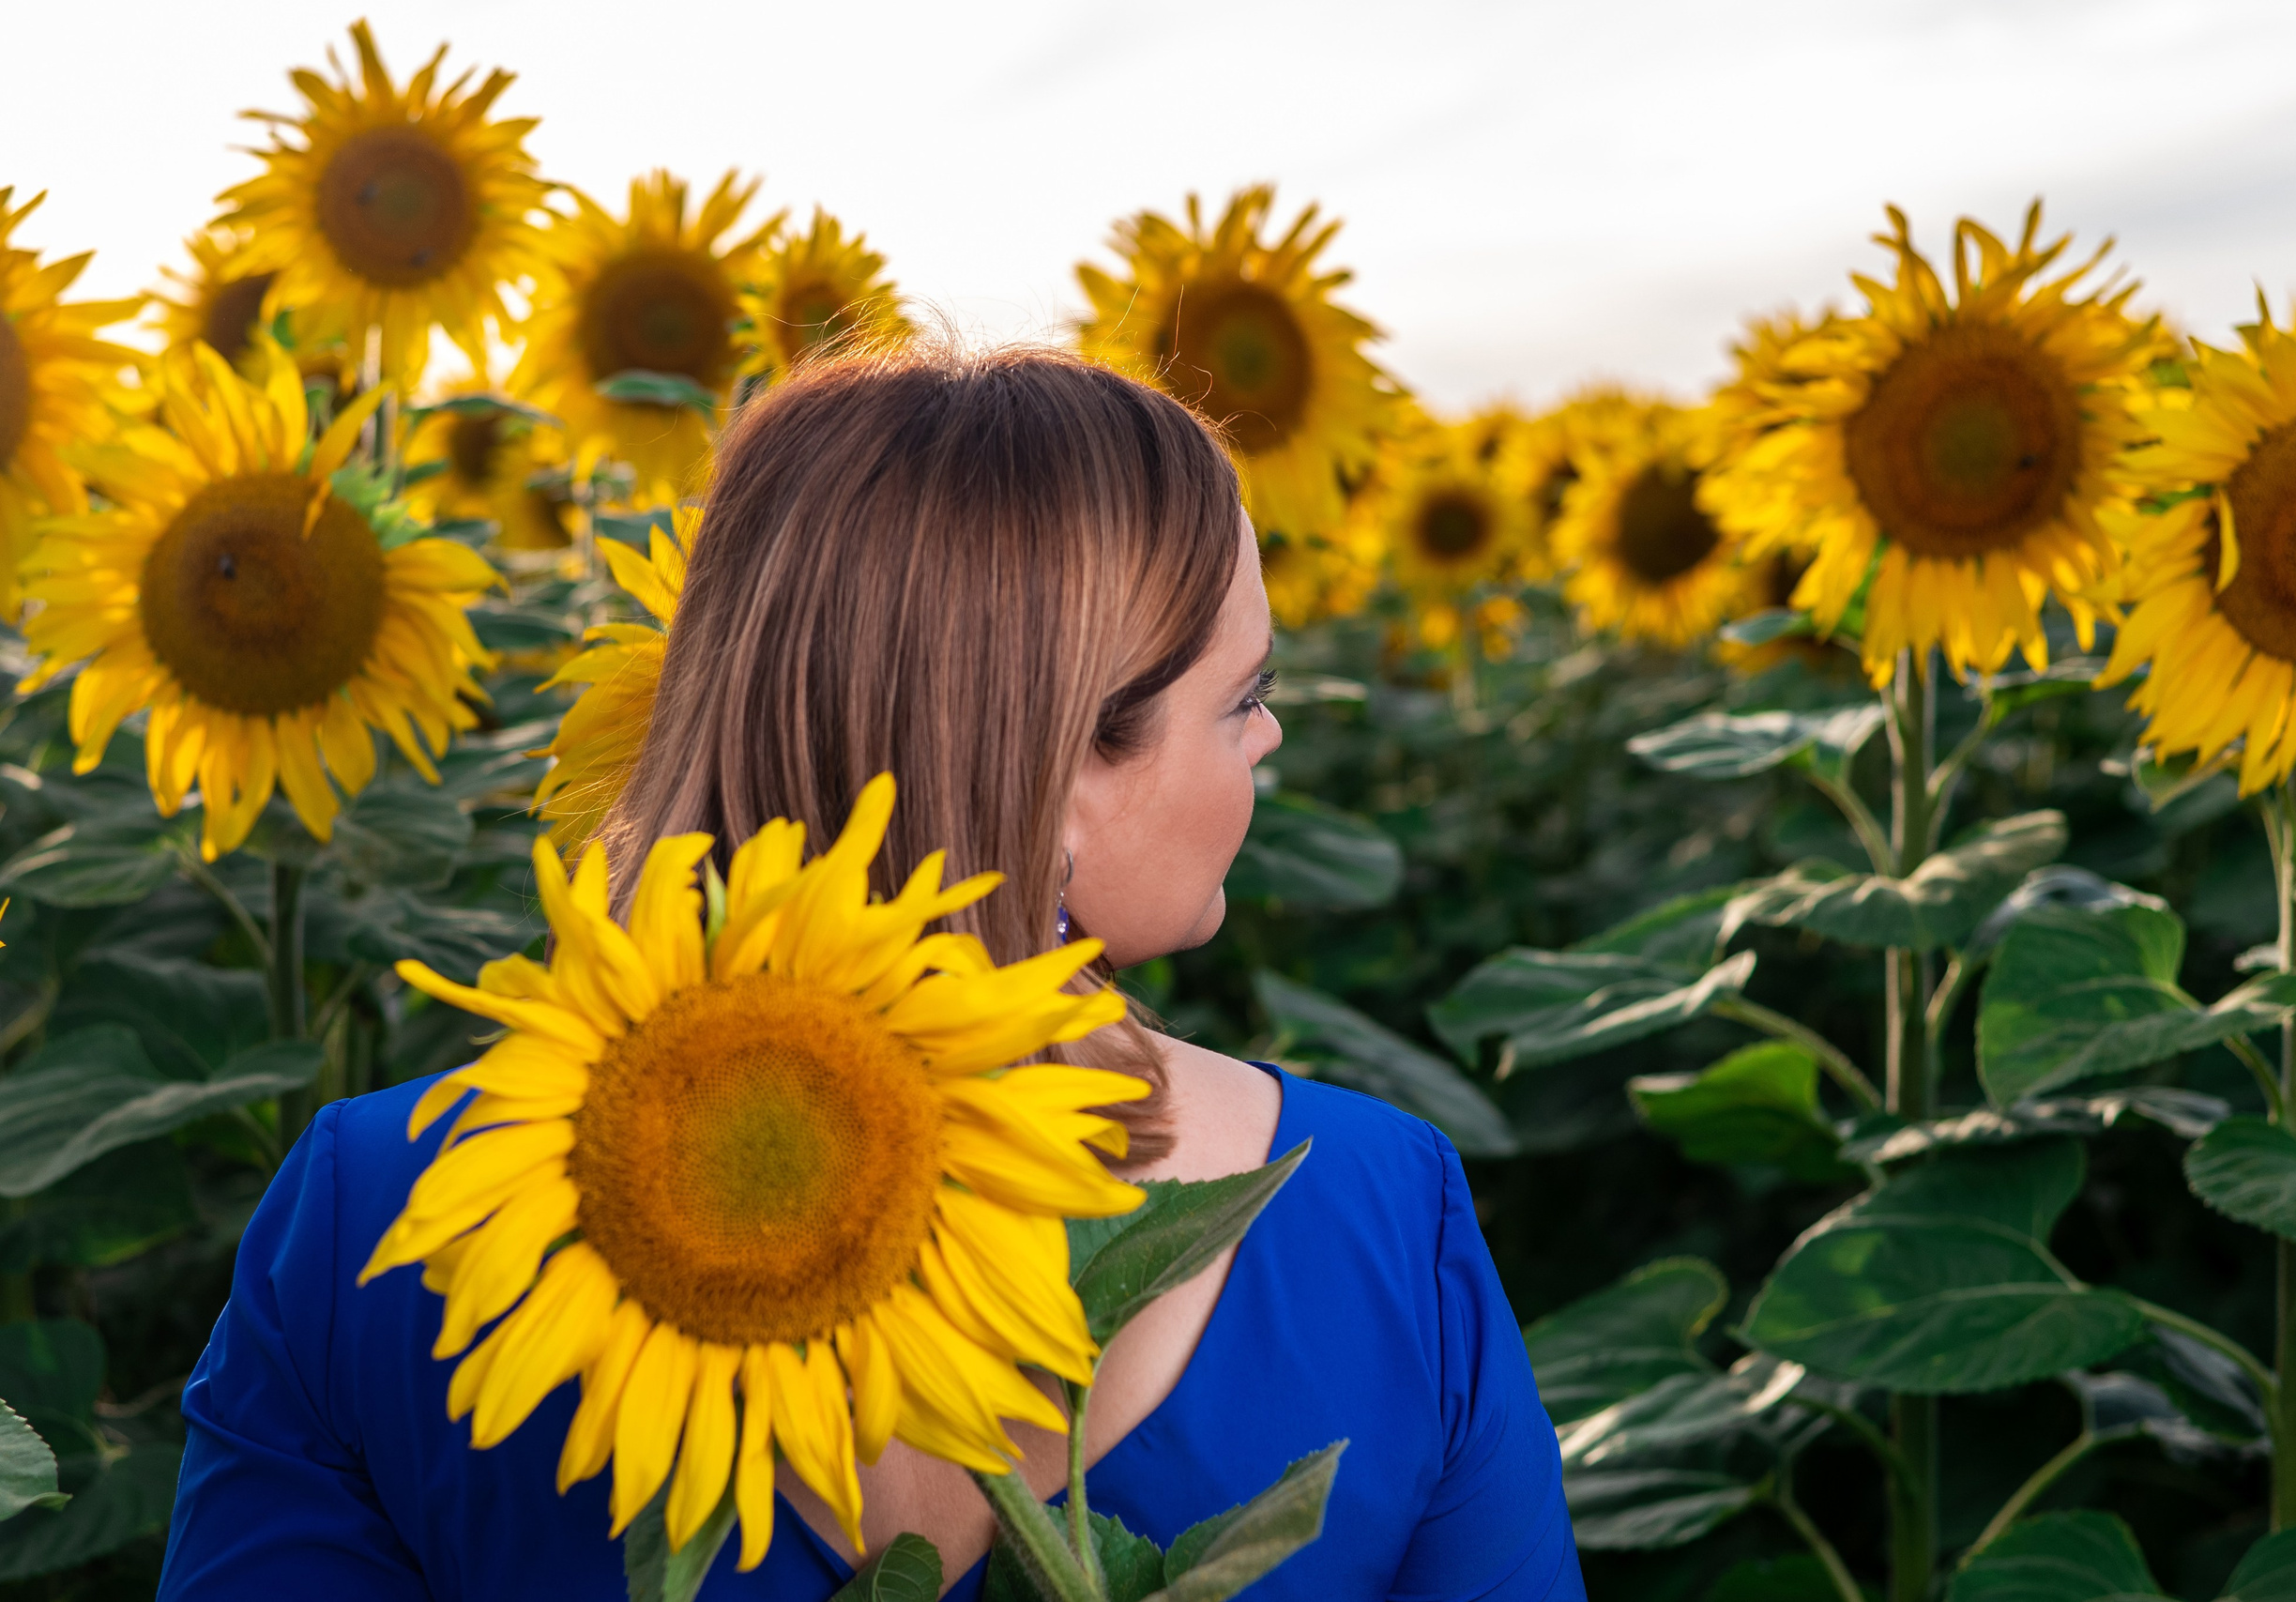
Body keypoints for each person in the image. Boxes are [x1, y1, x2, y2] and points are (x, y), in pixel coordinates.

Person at [159, 344, 1584, 1600]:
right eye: (1245, 698)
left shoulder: (375, 1213)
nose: (1269, 742)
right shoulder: (1378, 1219)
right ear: (1059, 776)